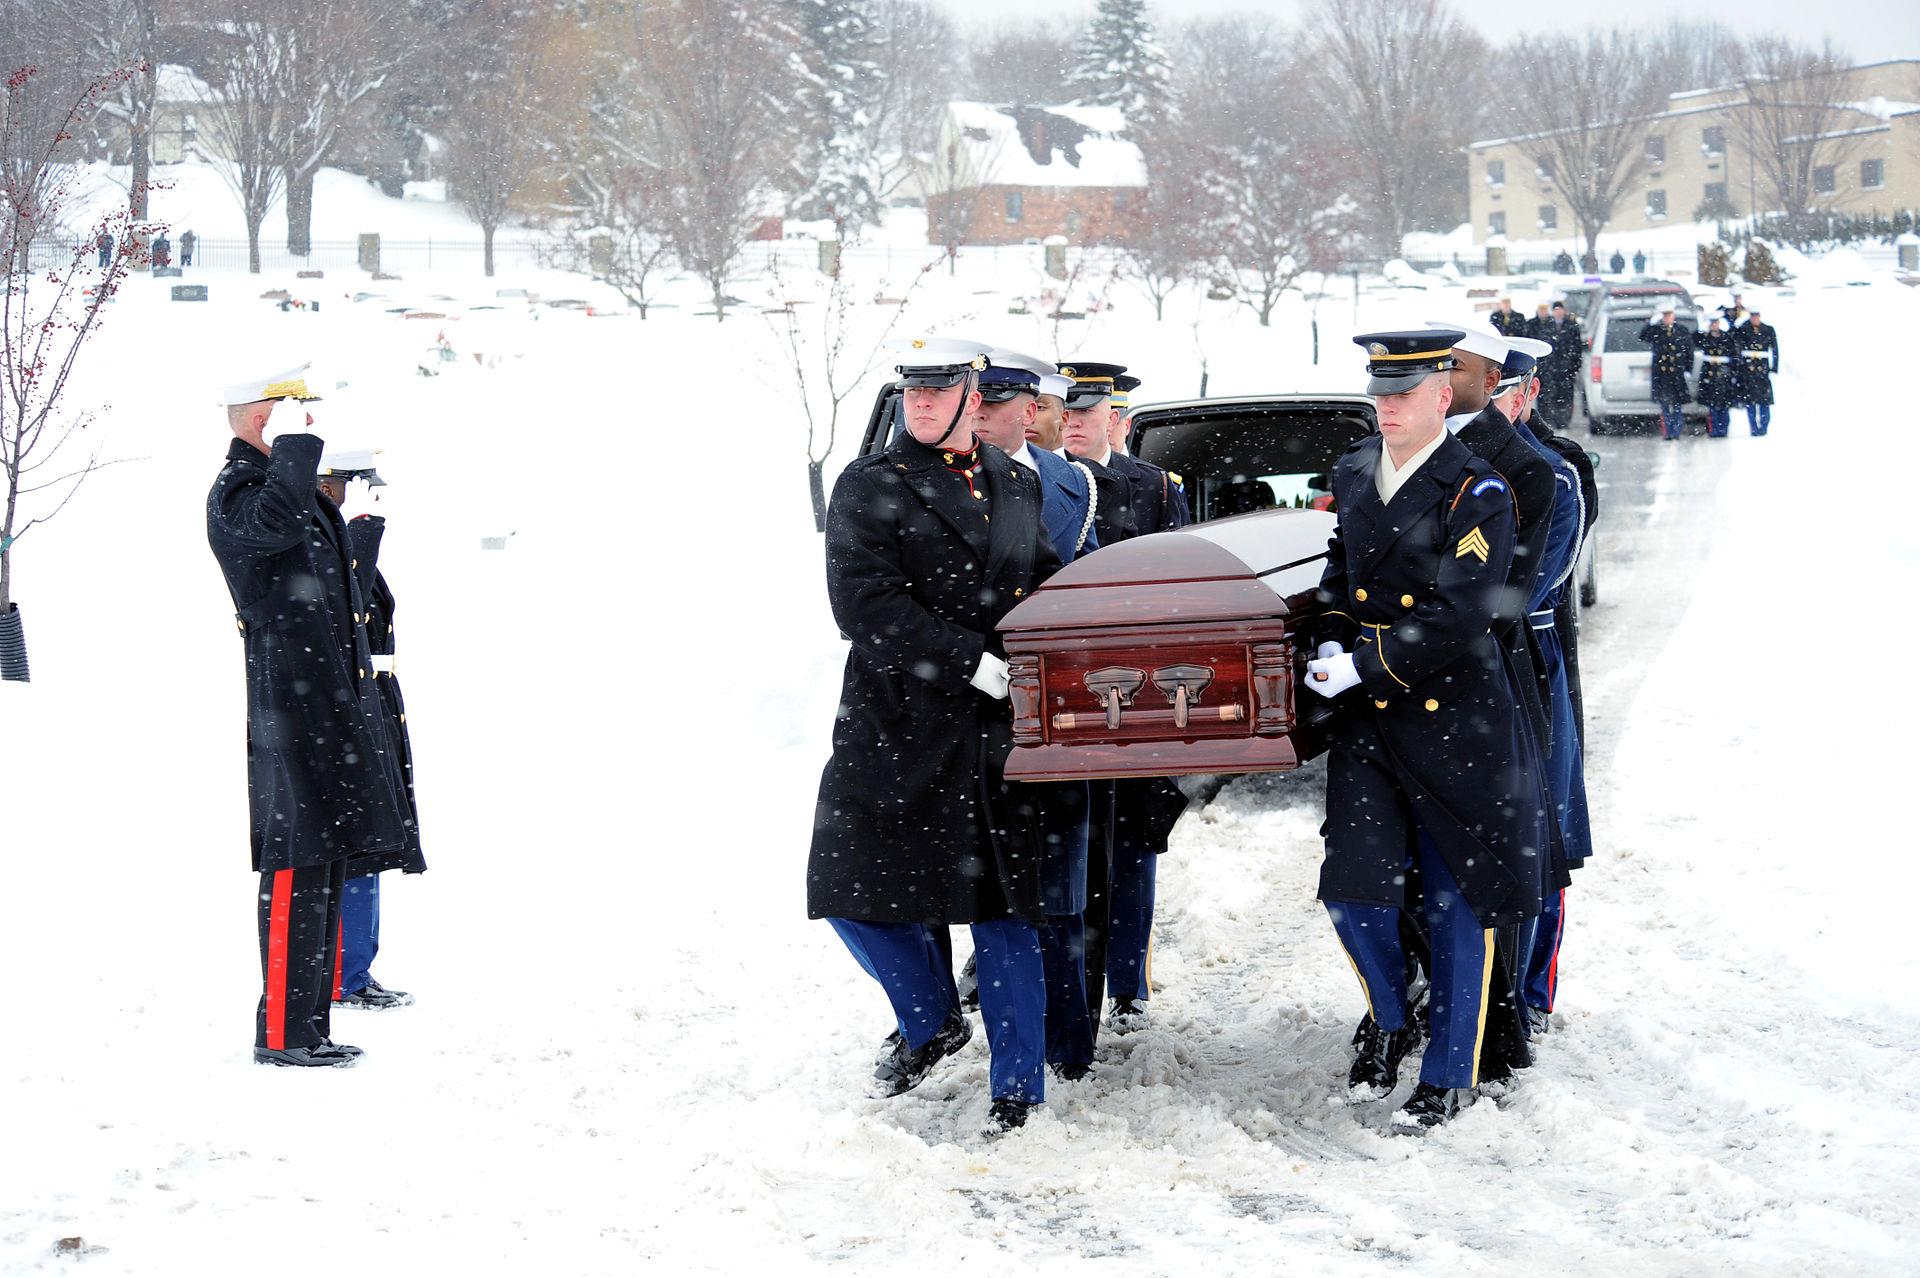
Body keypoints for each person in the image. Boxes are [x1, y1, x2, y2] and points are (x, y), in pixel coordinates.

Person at [808, 337, 1058, 1133]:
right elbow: (863, 606)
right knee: (849, 890)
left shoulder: (1016, 483)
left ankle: (1018, 1090)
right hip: (895, 722)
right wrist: (967, 662)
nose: (920, 403)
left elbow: (1043, 585)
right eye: (912, 391)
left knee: (1005, 910)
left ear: (971, 397)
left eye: (938, 389)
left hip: (996, 732)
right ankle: (930, 1020)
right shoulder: (869, 484)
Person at [1302, 329, 1548, 1129]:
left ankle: (1451, 1073)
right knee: (1353, 894)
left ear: (1443, 397)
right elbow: (1339, 573)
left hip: (1454, 724)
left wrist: (1366, 664)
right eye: (1378, 394)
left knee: (1456, 902)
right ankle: (1392, 1010)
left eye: (1401, 395)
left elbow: (1464, 611)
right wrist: (1333, 636)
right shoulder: (1353, 471)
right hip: (1372, 725)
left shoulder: (1476, 491)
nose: (1386, 409)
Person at [206, 365, 412, 1067]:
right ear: (263, 418)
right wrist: (289, 454)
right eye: (295, 413)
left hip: (326, 705)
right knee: (297, 868)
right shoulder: (238, 491)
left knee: (326, 864)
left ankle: (312, 1025)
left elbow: (346, 594)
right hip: (291, 712)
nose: (311, 427)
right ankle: (284, 1034)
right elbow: (270, 532)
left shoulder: (289, 494)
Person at [966, 348, 1102, 1079]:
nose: (982, 416)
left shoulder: (1072, 483)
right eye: (974, 402)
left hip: (1055, 711)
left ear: (1032, 407)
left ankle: (1068, 1045)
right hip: (968, 702)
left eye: (997, 404)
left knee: (1061, 884)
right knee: (977, 882)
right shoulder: (923, 478)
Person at [1058, 361, 1189, 1032]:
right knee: (1067, 840)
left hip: (1137, 695)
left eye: (1088, 413)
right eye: (1068, 412)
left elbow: (1181, 589)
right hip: (1063, 692)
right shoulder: (1044, 484)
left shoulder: (1156, 489)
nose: (1076, 424)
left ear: (1118, 419)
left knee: (1134, 843)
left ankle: (1128, 982)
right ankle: (1074, 978)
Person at [1492, 342, 1595, 1035]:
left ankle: (1529, 992)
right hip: (1479, 668)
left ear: (1526, 395)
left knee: (1541, 837)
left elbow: (1526, 594)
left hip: (1530, 664)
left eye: (1500, 392)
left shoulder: (1552, 476)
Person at [316, 450, 425, 1010]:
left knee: (374, 841)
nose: (372, 501)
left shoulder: (345, 544)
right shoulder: (326, 545)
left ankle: (356, 966)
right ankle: (343, 973)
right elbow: (342, 611)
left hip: (375, 700)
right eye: (359, 489)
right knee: (356, 843)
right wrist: (361, 536)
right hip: (349, 706)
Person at [1638, 303, 1693, 441]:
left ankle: (1676, 432)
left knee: (1677, 405)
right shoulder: (1657, 330)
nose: (1667, 318)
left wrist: (1688, 369)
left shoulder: (1681, 330)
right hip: (1662, 374)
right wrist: (1650, 323)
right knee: (1665, 406)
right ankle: (1668, 432)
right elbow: (1643, 336)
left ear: (1673, 316)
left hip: (1677, 374)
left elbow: (1689, 351)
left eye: (1669, 315)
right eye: (1665, 316)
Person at [1692, 315, 1739, 439]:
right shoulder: (1705, 337)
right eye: (1712, 323)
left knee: (1724, 406)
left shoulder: (1727, 338)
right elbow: (1694, 338)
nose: (1714, 326)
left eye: (1716, 323)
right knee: (1712, 406)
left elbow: (1734, 356)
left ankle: (1723, 429)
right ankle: (1714, 430)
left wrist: (1733, 373)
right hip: (1710, 375)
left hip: (1724, 375)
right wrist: (1701, 328)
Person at [1735, 308, 1779, 436]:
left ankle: (1763, 427)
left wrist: (1774, 367)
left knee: (1764, 401)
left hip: (1762, 370)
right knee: (1750, 402)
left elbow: (1775, 350)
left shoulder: (1768, 330)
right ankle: (1753, 428)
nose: (1755, 319)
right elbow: (1737, 346)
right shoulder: (1744, 329)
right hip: (1749, 371)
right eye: (1752, 316)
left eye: (1756, 316)